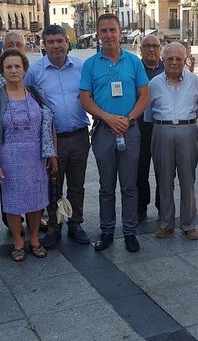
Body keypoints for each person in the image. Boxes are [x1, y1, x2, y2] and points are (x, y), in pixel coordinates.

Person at [79, 13, 150, 253]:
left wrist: (128, 119)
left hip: (130, 130)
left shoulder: (133, 62)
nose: (108, 35)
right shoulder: (91, 64)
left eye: (112, 30)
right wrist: (108, 118)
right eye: (104, 31)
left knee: (130, 185)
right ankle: (107, 230)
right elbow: (85, 100)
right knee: (106, 186)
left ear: (121, 32)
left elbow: (145, 95)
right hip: (103, 131)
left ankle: (130, 232)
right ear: (98, 34)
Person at [0, 50, 57, 261]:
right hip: (9, 155)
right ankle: (18, 241)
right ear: (2, 71)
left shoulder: (36, 93)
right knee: (13, 202)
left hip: (36, 155)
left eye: (17, 66)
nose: (13, 70)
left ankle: (34, 238)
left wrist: (52, 153)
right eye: (8, 67)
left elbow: (49, 123)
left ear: (24, 69)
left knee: (36, 199)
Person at [24, 25, 91, 247]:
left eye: (60, 41)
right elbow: (24, 99)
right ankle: (53, 225)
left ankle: (76, 223)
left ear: (67, 43)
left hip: (80, 135)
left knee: (77, 184)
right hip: (52, 140)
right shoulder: (34, 72)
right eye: (50, 42)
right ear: (44, 45)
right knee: (53, 184)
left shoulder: (81, 67)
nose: (56, 46)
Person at [146, 42, 198, 240]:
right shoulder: (154, 83)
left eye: (179, 58)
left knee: (188, 180)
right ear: (163, 60)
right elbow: (148, 114)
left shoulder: (195, 81)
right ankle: (166, 223)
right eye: (170, 58)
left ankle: (188, 224)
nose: (174, 62)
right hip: (161, 130)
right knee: (164, 180)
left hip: (188, 130)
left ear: (185, 60)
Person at [136, 34, 164, 222]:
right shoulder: (135, 68)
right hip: (140, 127)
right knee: (140, 170)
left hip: (162, 127)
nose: (151, 49)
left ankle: (163, 207)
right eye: (147, 46)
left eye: (155, 46)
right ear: (141, 49)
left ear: (160, 49)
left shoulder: (169, 67)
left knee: (164, 170)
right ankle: (140, 207)